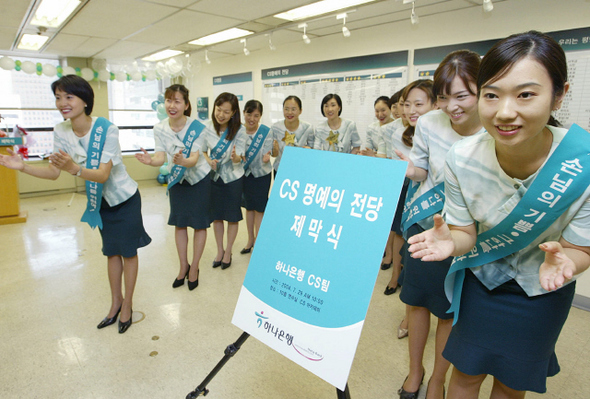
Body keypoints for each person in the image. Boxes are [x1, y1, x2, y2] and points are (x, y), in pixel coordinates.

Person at [408, 31, 590, 399]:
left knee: (510, 383)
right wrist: (452, 242)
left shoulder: (581, 164)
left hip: (541, 293)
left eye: (526, 94)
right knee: (466, 373)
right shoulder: (463, 157)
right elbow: (465, 233)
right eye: (491, 95)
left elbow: (580, 249)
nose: (505, 112)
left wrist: (566, 261)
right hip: (480, 282)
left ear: (559, 94)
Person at [0, 75, 151, 334]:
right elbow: (53, 172)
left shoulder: (107, 129)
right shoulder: (61, 131)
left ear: (84, 100)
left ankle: (128, 303)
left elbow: (103, 175)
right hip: (101, 203)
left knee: (128, 252)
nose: (62, 103)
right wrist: (22, 166)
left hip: (124, 200)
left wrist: (74, 168)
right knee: (111, 252)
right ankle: (115, 303)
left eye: (68, 97)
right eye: (58, 97)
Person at [397, 56, 484, 399]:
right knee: (416, 303)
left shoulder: (493, 127)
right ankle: (415, 371)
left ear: (483, 91)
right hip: (423, 227)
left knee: (448, 313)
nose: (452, 106)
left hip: (463, 238)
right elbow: (422, 170)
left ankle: (437, 379)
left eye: (462, 96)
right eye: (444, 97)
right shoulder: (430, 122)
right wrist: (408, 170)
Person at [135, 84, 209, 290]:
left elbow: (194, 159)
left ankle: (194, 267)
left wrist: (184, 161)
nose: (172, 105)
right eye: (168, 100)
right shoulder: (159, 128)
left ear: (186, 105)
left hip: (198, 180)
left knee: (200, 224)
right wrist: (151, 161)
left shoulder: (198, 128)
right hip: (178, 182)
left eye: (177, 101)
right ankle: (183, 266)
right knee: (180, 223)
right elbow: (160, 156)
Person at [202, 92, 247, 270]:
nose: (221, 115)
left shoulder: (240, 130)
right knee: (217, 217)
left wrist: (236, 157)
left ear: (234, 112)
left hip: (233, 178)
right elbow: (203, 151)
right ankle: (219, 251)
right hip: (214, 177)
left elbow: (239, 156)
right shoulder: (207, 127)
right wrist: (208, 160)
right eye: (218, 110)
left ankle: (228, 251)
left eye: (226, 112)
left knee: (232, 217)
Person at [240, 100, 275, 254]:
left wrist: (268, 157)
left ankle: (259, 241)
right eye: (249, 114)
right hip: (245, 175)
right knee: (249, 208)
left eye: (256, 115)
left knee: (259, 209)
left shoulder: (266, 132)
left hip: (262, 175)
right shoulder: (238, 131)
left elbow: (267, 153)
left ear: (260, 116)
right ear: (244, 113)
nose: (252, 119)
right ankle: (250, 239)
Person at [271, 95, 314, 177]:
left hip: (301, 170)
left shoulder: (308, 128)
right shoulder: (275, 128)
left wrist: (309, 150)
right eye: (286, 109)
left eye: (293, 109)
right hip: (280, 169)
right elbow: (273, 154)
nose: (289, 112)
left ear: (300, 111)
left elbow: (313, 151)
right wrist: (274, 151)